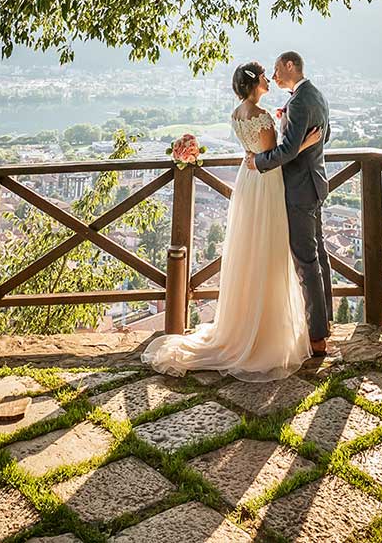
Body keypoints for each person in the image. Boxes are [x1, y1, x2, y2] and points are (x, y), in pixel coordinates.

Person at [142, 60, 323, 381]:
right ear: (255, 84)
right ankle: (264, 330)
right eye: (266, 76)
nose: (270, 78)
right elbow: (274, 157)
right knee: (268, 252)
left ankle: (245, 321)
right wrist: (305, 143)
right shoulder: (262, 117)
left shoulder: (238, 114)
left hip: (248, 183)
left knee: (251, 251)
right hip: (266, 184)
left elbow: (256, 151)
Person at [249, 51, 333, 359]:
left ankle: (317, 336)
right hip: (316, 184)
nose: (273, 77)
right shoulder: (316, 95)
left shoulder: (299, 101)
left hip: (299, 189)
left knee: (305, 260)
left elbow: (286, 151)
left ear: (289, 65)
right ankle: (326, 322)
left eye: (276, 70)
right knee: (319, 254)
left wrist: (258, 162)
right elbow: (327, 135)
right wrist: (298, 136)